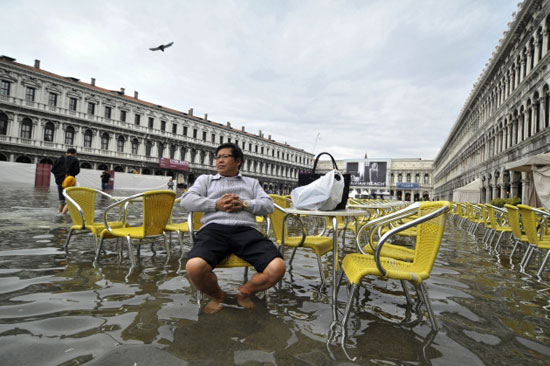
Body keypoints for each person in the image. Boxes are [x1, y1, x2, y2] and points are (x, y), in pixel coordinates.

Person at [180, 142, 285, 314]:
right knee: (194, 267)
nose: (219, 161)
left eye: (225, 157)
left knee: (277, 267)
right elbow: (186, 201)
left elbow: (268, 206)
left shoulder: (251, 183)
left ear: (238, 161)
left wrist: (244, 204)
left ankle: (244, 292)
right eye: (217, 157)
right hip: (214, 230)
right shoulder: (205, 180)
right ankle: (217, 295)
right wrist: (216, 204)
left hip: (246, 230)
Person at [51, 148, 80, 214]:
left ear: (67, 152)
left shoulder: (59, 159)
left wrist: (59, 176)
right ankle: (63, 215)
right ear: (74, 154)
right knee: (71, 200)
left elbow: (52, 170)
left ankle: (59, 214)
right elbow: (77, 171)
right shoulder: (74, 160)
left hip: (60, 182)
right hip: (69, 182)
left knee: (62, 201)